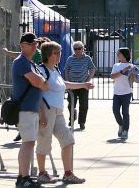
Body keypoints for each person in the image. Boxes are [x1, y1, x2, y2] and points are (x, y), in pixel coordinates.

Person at [35, 42, 87, 183]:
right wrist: (42, 114)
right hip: (47, 110)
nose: (59, 55)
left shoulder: (55, 70)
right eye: (56, 53)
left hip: (58, 111)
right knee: (44, 142)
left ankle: (68, 173)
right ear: (48, 55)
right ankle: (42, 173)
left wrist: (84, 85)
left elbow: (65, 84)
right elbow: (38, 93)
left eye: (60, 52)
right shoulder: (41, 70)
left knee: (68, 140)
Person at [11, 31, 50, 188]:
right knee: (28, 143)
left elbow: (41, 86)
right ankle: (24, 178)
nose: (35, 47)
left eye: (35, 44)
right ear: (22, 46)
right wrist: (42, 81)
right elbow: (37, 82)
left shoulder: (31, 63)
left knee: (29, 143)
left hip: (32, 109)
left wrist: (41, 113)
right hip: (25, 109)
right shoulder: (21, 62)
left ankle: (22, 176)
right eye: (31, 44)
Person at [63, 41, 95, 130]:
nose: (77, 50)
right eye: (75, 49)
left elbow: (92, 69)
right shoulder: (70, 58)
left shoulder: (87, 58)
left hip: (83, 84)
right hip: (73, 84)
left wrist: (87, 81)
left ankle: (82, 122)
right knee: (70, 104)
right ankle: (72, 117)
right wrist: (68, 81)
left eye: (79, 48)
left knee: (84, 104)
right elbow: (66, 70)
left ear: (83, 49)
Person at [111, 47, 139, 143]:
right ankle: (121, 124)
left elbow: (132, 81)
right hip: (117, 92)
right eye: (117, 54)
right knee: (115, 110)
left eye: (119, 53)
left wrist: (132, 73)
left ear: (124, 55)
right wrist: (122, 71)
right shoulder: (116, 65)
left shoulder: (131, 66)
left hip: (127, 92)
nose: (117, 55)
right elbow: (112, 76)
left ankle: (125, 131)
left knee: (125, 112)